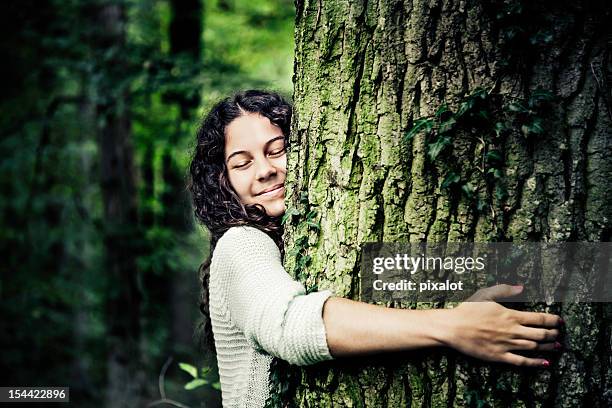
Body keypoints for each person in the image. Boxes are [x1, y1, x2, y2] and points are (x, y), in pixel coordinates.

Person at [189, 90, 563, 407]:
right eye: (242, 163)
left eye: (278, 149)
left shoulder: (290, 240)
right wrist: (453, 326)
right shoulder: (240, 243)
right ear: (223, 181)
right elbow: (288, 326)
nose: (265, 170)